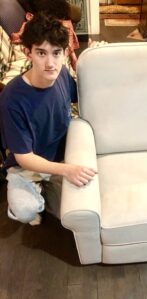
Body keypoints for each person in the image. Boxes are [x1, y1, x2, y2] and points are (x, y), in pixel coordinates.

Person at [0, 13, 97, 226]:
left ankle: (48, 191)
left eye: (56, 53)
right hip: (27, 166)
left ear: (64, 53)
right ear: (28, 53)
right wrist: (67, 170)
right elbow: (24, 157)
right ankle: (28, 193)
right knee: (26, 211)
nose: (50, 63)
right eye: (41, 53)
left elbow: (81, 98)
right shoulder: (11, 99)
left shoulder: (62, 73)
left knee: (79, 213)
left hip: (61, 156)